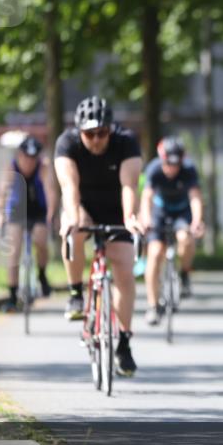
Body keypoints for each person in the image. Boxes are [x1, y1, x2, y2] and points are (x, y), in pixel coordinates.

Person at [55, 96, 145, 377]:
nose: (96, 140)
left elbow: (129, 185)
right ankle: (74, 293)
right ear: (79, 131)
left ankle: (124, 342)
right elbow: (69, 187)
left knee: (124, 268)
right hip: (83, 204)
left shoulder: (126, 142)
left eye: (102, 133)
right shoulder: (66, 144)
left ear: (111, 129)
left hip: (117, 208)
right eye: (89, 134)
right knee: (76, 227)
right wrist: (71, 217)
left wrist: (130, 217)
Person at [140, 136, 205, 325]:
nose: (172, 168)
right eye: (168, 163)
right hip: (160, 212)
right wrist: (145, 219)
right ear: (162, 159)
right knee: (154, 254)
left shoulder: (189, 170)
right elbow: (147, 197)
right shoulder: (153, 169)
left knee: (186, 239)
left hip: (181, 212)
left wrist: (197, 221)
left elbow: (195, 197)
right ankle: (153, 306)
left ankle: (185, 273)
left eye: (176, 164)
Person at [0, 135, 57, 312]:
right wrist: (0, 213)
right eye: (25, 157)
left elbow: (50, 192)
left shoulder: (43, 168)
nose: (29, 161)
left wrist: (51, 214)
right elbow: (2, 192)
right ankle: (12, 296)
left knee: (41, 241)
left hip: (38, 211)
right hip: (16, 211)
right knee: (14, 252)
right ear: (19, 155)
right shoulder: (11, 168)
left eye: (33, 158)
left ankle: (42, 275)